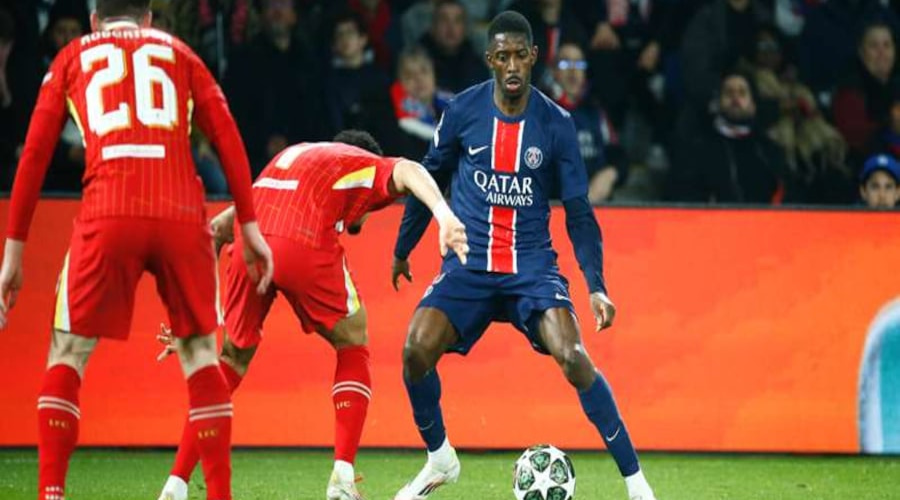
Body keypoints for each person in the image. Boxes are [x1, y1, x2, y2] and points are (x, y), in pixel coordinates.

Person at [0, 1, 275, 499]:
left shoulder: (72, 57)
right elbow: (228, 136)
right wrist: (250, 225)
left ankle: (51, 493)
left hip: (108, 211)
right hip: (181, 212)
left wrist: (13, 253)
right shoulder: (182, 54)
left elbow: (34, 155)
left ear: (94, 20)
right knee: (200, 356)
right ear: (148, 19)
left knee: (68, 353)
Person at [390, 11, 656, 500]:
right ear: (490, 59)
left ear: (534, 57)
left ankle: (637, 484)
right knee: (414, 352)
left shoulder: (557, 124)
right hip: (469, 264)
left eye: (520, 55)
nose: (512, 65)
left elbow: (579, 211)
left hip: (531, 268)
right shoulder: (462, 111)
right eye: (503, 56)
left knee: (574, 356)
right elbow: (428, 174)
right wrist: (403, 248)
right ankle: (439, 458)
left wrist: (596, 285)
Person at [156, 130, 469, 500]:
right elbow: (410, 169)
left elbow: (216, 231)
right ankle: (342, 478)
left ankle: (175, 484)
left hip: (250, 243)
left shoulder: (293, 160)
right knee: (353, 341)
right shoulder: (358, 160)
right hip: (300, 239)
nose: (360, 220)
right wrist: (444, 215)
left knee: (230, 361)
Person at [665, 71, 787, 203]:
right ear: (718, 103)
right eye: (729, 93)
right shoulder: (698, 149)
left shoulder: (768, 151)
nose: (735, 98)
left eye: (742, 93)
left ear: (753, 105)